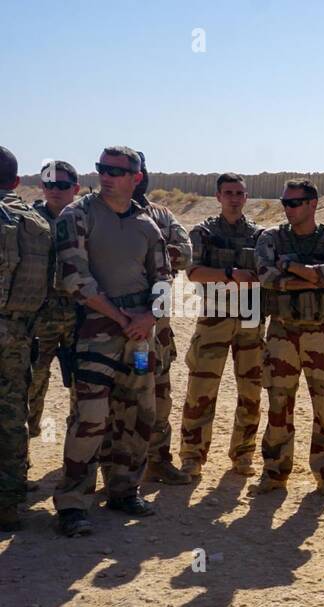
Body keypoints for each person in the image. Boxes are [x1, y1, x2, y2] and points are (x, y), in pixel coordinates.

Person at [51, 146, 167, 536]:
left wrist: (149, 316)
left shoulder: (147, 224)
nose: (107, 175)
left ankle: (124, 490)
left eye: (117, 171)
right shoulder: (78, 215)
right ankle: (72, 503)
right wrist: (123, 318)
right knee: (91, 418)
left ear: (136, 177)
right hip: (96, 333)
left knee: (138, 412)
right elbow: (75, 278)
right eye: (102, 168)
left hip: (137, 339)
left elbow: (164, 279)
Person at [251, 178, 324, 497]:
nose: (288, 209)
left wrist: (290, 267)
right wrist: (311, 278)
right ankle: (275, 472)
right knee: (279, 403)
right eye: (285, 203)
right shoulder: (271, 238)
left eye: (294, 203)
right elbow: (266, 276)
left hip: (320, 331)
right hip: (282, 331)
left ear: (312, 204)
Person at [178, 172, 265, 478]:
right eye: (228, 193)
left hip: (251, 319)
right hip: (214, 316)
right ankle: (192, 456)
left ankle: (243, 455)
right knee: (201, 389)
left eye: (239, 193)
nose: (234, 198)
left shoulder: (260, 235)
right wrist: (231, 274)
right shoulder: (203, 232)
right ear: (218, 196)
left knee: (251, 391)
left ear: (246, 197)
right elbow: (194, 273)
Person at [132, 152, 194, 485]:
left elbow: (185, 252)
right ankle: (111, 464)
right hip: (114, 322)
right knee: (114, 393)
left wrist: (146, 254)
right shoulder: (95, 212)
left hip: (156, 326)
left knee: (158, 390)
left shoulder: (161, 215)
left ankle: (157, 458)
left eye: (138, 172)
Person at [0, 146, 53, 532]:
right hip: (19, 331)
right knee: (12, 415)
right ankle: (9, 503)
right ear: (17, 182)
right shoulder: (37, 223)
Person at [27, 161, 80, 448]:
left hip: (79, 314)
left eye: (62, 185)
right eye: (49, 184)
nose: (54, 190)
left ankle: (78, 457)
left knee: (83, 385)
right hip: (40, 316)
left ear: (75, 188)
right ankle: (21, 453)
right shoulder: (28, 221)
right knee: (32, 383)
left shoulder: (87, 219)